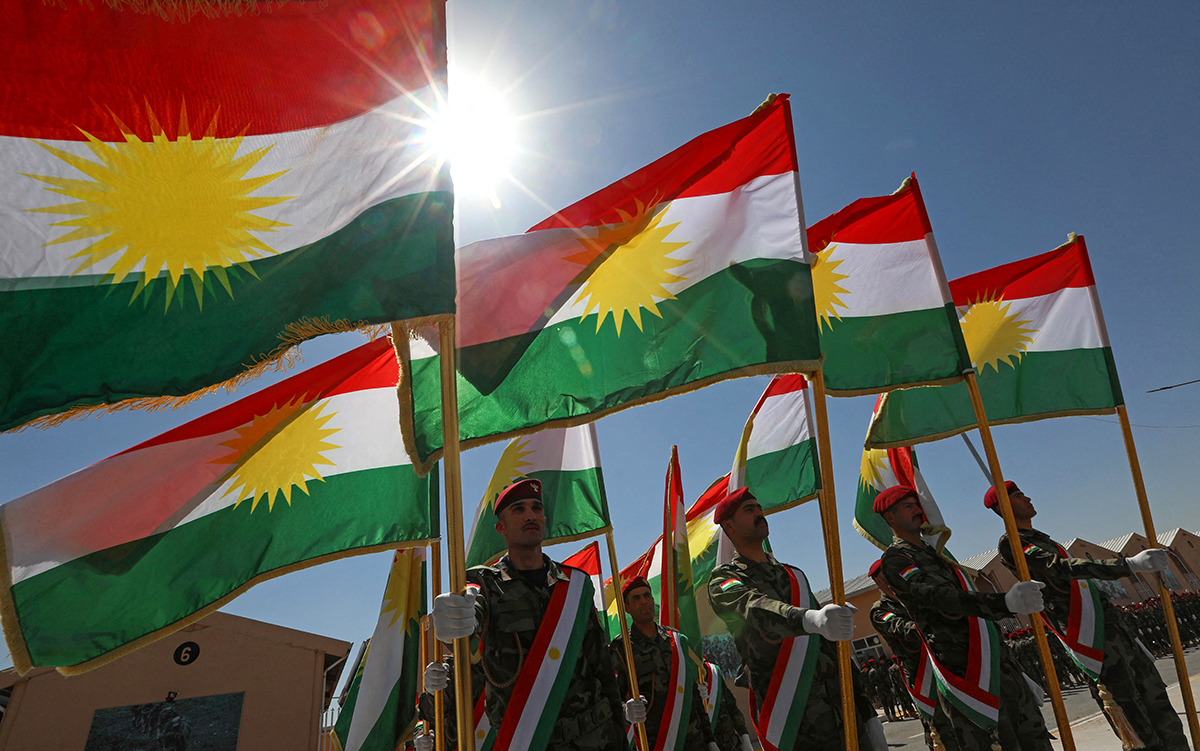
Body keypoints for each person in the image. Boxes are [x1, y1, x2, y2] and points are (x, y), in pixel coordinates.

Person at [430, 479, 642, 751]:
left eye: (536, 508)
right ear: (501, 527)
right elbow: (468, 623)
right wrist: (453, 623)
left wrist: (618, 728)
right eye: (518, 509)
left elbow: (599, 662)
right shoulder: (484, 583)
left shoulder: (575, 585)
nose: (530, 515)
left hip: (596, 736)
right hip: (528, 738)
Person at [989, 481, 1188, 751]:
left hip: (1112, 632)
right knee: (1135, 722)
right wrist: (1127, 564)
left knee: (1160, 709)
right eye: (1018, 496)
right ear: (1002, 506)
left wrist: (1127, 637)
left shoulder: (1045, 540)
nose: (1028, 498)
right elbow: (1059, 567)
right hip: (1089, 636)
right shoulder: (1013, 545)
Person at [705, 487, 887, 751]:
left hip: (844, 716)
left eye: (759, 508)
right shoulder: (723, 579)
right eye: (749, 510)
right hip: (794, 720)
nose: (759, 513)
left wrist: (867, 712)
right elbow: (755, 608)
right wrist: (810, 618)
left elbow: (832, 652)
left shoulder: (793, 575)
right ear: (729, 526)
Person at [876, 484, 1052, 751]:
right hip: (967, 673)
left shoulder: (936, 555)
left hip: (996, 662)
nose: (918, 510)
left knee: (1034, 740)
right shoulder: (896, 560)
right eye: (908, 506)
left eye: (917, 504)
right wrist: (1004, 601)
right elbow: (938, 597)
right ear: (890, 517)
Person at [610, 576, 719, 751]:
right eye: (636, 598)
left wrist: (710, 740)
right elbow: (612, 698)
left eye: (647, 595)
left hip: (695, 740)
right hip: (660, 743)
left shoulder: (675, 639)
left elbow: (693, 695)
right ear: (627, 608)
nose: (644, 601)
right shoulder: (620, 649)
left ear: (653, 600)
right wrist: (625, 712)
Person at [868, 558, 956, 751]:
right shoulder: (881, 610)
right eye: (888, 576)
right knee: (941, 734)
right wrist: (931, 623)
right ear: (880, 582)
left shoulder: (914, 597)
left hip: (946, 668)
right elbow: (901, 627)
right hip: (922, 676)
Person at [700, 658, 753, 751]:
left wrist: (745, 737)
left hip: (732, 744)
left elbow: (732, 707)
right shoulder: (682, 675)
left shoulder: (713, 672)